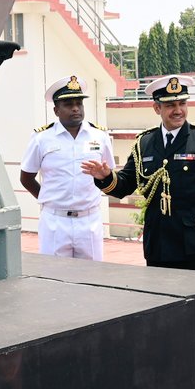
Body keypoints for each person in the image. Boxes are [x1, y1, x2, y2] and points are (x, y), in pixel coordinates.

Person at [81, 75, 195, 271]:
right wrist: (105, 177)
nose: (178, 110)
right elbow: (125, 185)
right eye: (170, 105)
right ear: (157, 108)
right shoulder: (145, 142)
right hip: (158, 243)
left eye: (182, 103)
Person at [20, 75, 114, 261]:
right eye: (68, 104)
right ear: (56, 110)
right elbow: (26, 178)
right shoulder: (42, 139)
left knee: (91, 279)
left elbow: (109, 172)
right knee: (55, 279)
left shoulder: (99, 136)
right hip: (55, 221)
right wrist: (50, 200)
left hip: (89, 220)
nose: (75, 108)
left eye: (79, 103)